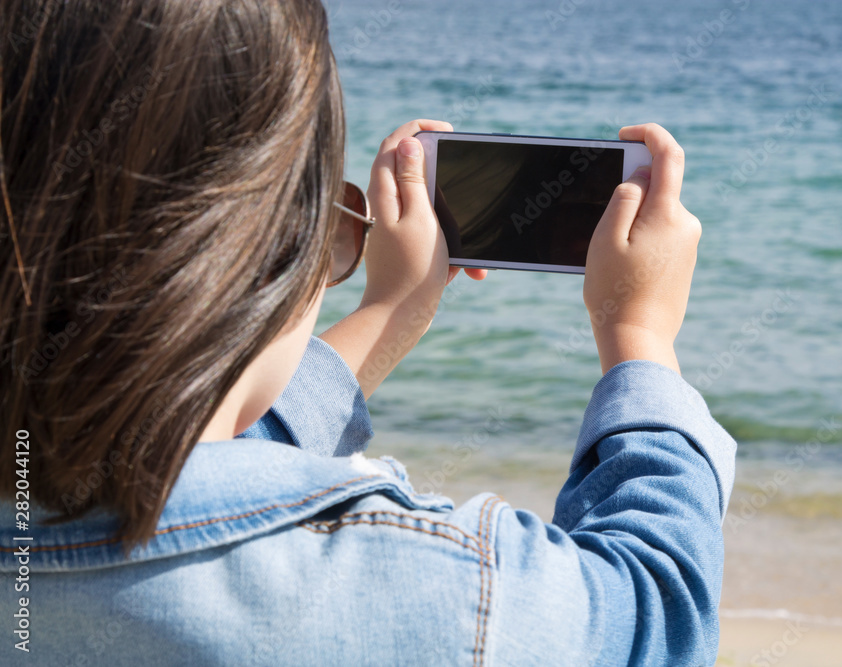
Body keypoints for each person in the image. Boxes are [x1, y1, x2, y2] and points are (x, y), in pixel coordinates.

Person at [0, 1, 736, 664]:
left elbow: (201, 472)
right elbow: (654, 617)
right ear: (278, 244)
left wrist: (392, 309)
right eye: (332, 222)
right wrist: (638, 331)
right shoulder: (433, 586)